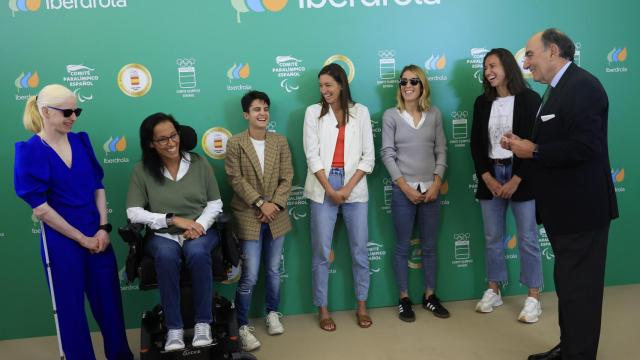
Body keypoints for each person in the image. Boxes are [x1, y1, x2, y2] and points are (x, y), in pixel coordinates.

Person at [504, 29, 618, 360]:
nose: (525, 63)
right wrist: (524, 145)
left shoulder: (582, 86)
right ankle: (570, 348)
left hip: (582, 211)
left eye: (529, 54)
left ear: (553, 51)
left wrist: (534, 150)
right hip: (564, 212)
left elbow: (586, 146)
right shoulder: (556, 90)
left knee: (580, 291)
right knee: (569, 289)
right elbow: (558, 139)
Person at [13, 84, 133, 360]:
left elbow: (97, 186)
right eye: (67, 111)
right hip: (61, 243)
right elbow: (41, 209)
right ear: (45, 112)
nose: (73, 117)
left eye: (76, 110)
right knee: (70, 310)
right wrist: (82, 238)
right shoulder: (30, 152)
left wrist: (103, 228)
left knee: (110, 304)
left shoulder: (81, 141)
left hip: (98, 236)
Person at [126, 113, 223, 351]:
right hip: (163, 235)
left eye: (174, 136)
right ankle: (174, 329)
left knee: (198, 252)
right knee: (166, 256)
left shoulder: (199, 163)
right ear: (151, 143)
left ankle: (203, 324)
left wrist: (198, 225)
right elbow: (133, 212)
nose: (171, 143)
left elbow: (215, 203)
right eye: (162, 140)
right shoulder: (142, 171)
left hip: (200, 230)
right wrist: (171, 219)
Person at [469, 48, 544, 323]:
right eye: (485, 67)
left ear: (508, 67)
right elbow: (476, 145)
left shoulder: (529, 99)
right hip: (491, 174)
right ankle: (494, 289)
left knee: (527, 238)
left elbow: (535, 144)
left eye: (493, 65)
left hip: (520, 176)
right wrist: (487, 177)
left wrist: (516, 178)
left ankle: (533, 296)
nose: (488, 71)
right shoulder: (481, 102)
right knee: (492, 238)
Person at [303, 63, 375, 331]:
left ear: (341, 85)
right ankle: (323, 309)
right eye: (321, 86)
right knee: (321, 251)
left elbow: (369, 157)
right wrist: (331, 189)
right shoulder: (313, 113)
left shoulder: (361, 112)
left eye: (329, 85)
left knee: (359, 250)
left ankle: (362, 306)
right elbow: (312, 155)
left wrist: (346, 188)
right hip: (323, 184)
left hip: (354, 185)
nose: (324, 91)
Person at [224, 90, 293, 351]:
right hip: (248, 214)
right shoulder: (236, 142)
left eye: (265, 108)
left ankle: (272, 312)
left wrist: (273, 204)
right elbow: (235, 178)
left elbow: (287, 176)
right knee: (250, 275)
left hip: (277, 214)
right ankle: (241, 325)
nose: (262, 113)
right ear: (246, 114)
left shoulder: (280, 141)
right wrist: (260, 203)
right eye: (256, 109)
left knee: (274, 270)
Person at [380, 65, 450, 322]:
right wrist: (405, 187)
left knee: (430, 246)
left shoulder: (435, 114)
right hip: (403, 192)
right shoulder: (391, 115)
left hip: (431, 191)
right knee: (401, 247)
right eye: (403, 81)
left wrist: (435, 183)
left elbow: (441, 151)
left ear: (423, 86)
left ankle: (430, 296)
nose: (407, 85)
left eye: (414, 81)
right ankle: (404, 299)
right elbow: (387, 154)